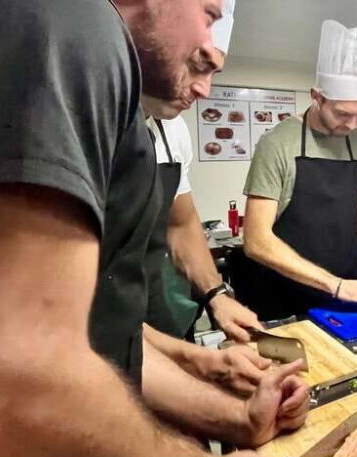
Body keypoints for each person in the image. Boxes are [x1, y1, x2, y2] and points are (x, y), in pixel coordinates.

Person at [0, 1, 306, 457]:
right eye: (208, 14)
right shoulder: (75, 24)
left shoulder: (133, 110)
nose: (205, 88)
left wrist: (238, 419)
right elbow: (18, 391)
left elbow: (105, 340)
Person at [240, 20, 357, 320]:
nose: (352, 125)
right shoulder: (277, 143)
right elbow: (255, 240)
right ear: (317, 96)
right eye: (343, 113)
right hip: (286, 295)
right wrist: (334, 285)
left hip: (348, 288)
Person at [143, 0, 263, 344]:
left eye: (212, 73)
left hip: (163, 317)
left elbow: (181, 224)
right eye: (197, 65)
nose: (203, 89)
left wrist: (216, 295)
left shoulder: (174, 131)